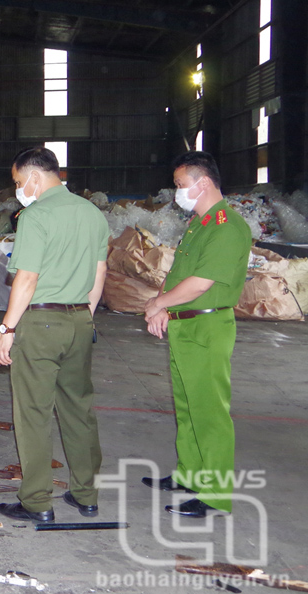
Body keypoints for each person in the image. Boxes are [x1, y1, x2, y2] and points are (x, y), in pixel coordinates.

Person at [0, 147, 109, 523]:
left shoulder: (36, 215)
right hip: (80, 320)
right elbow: (99, 272)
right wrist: (85, 316)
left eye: (18, 182)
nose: (18, 190)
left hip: (41, 323)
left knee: (34, 413)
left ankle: (37, 502)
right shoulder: (92, 213)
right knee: (79, 409)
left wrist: (7, 329)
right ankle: (86, 495)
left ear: (34, 177)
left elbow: (27, 278)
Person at [142, 151, 251, 518]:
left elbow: (201, 283)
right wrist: (163, 306)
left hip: (207, 326)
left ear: (203, 183)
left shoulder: (226, 226)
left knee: (210, 412)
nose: (177, 192)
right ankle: (190, 474)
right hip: (185, 323)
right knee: (188, 407)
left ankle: (216, 494)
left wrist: (158, 304)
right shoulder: (199, 224)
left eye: (180, 184)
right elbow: (178, 275)